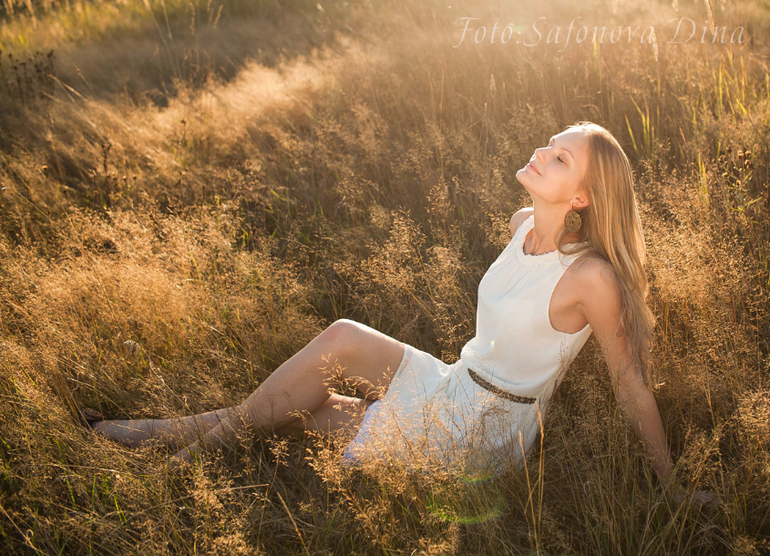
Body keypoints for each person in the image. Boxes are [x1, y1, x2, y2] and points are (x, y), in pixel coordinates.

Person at [85, 122, 716, 505]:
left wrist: (670, 486)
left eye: (560, 158)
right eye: (548, 144)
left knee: (310, 410)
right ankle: (171, 439)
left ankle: (168, 446)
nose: (541, 152)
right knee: (338, 345)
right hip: (450, 381)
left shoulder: (591, 278)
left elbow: (629, 384)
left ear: (581, 196)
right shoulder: (521, 223)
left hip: (486, 431)